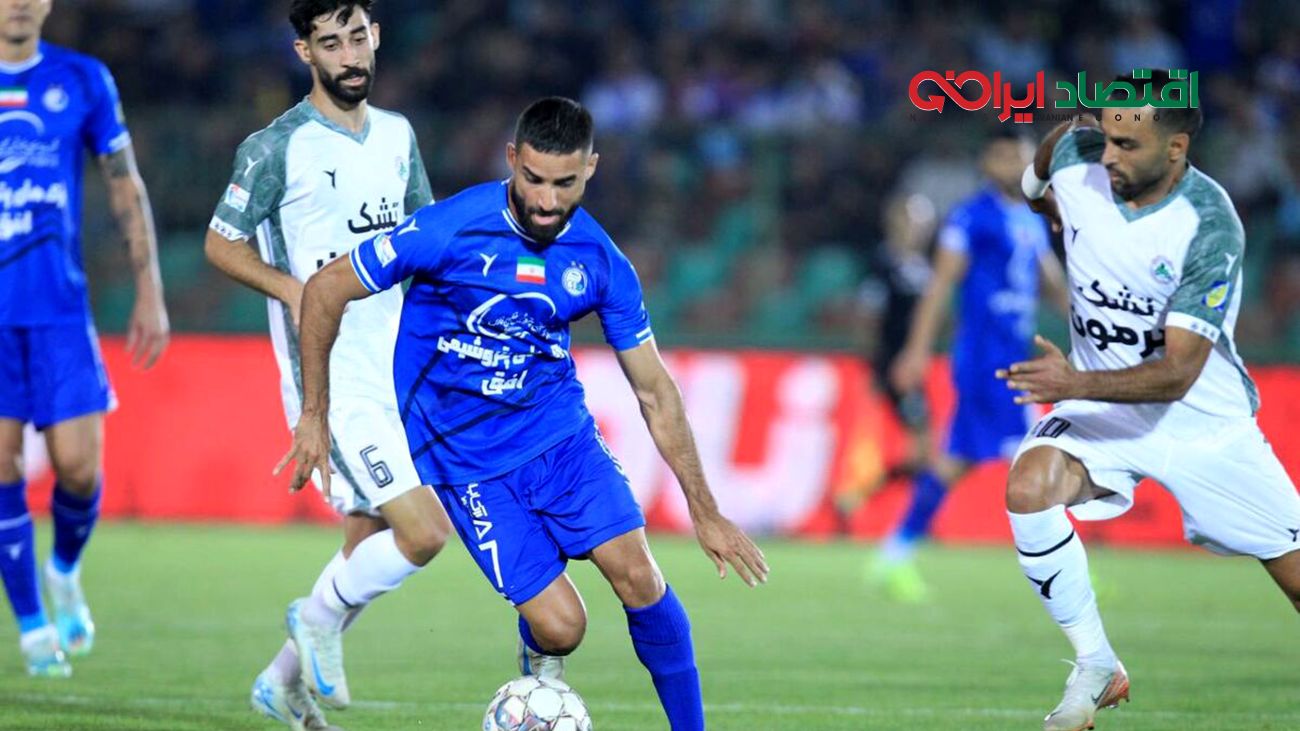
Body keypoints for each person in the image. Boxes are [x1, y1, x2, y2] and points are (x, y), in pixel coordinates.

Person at [279, 96, 768, 731]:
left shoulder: (599, 262)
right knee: (564, 629)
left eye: (564, 183)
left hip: (560, 436)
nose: (545, 200)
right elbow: (326, 289)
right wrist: (314, 414)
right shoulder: (449, 230)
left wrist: (705, 511)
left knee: (641, 579)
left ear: (590, 169)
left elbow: (654, 389)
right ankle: (539, 638)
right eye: (533, 179)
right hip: (465, 459)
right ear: (512, 159)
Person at [1008, 71, 1300, 731]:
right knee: (1029, 487)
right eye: (1106, 137)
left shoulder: (1208, 226)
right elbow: (1045, 173)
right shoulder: (1078, 158)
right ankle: (1096, 663)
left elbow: (1177, 374)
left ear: (1175, 148)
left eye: (1127, 145)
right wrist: (1048, 175)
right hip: (1103, 412)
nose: (1108, 155)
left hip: (1200, 422)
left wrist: (1071, 383)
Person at [204, 2, 449, 728]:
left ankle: (281, 682)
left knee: (367, 542)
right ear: (304, 52)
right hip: (334, 375)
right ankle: (311, 620)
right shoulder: (275, 147)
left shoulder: (398, 135)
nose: (349, 55)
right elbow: (220, 242)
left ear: (376, 38)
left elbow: (423, 238)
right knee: (424, 532)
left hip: (394, 368)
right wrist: (292, 289)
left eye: (357, 37)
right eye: (330, 42)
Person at [0, 0, 169, 677]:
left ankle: (64, 569)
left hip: (59, 311)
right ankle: (32, 624)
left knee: (78, 468)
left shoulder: (82, 78)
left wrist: (149, 287)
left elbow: (124, 185)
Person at [873, 129, 1068, 602]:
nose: (1013, 164)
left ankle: (894, 554)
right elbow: (940, 286)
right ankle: (1063, 568)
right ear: (986, 163)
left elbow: (1052, 283)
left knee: (959, 461)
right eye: (1003, 156)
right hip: (986, 361)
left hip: (1013, 356)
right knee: (1040, 454)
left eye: (1020, 155)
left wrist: (1091, 324)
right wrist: (917, 350)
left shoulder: (1030, 216)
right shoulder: (970, 218)